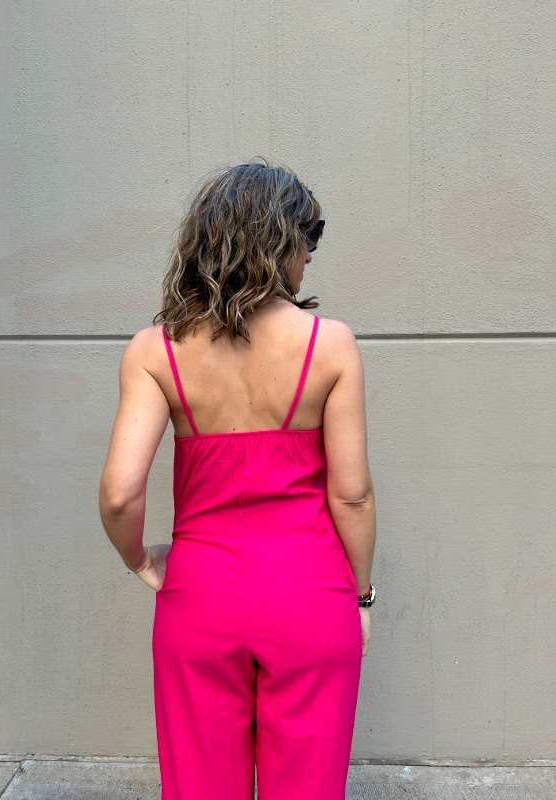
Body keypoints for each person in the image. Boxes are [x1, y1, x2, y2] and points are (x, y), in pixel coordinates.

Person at [98, 159, 377, 800]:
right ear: (277, 240)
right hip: (311, 594)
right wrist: (361, 598)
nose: (311, 254)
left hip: (200, 594)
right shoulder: (330, 345)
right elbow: (353, 495)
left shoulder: (155, 351)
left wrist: (140, 559)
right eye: (307, 237)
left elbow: (119, 493)